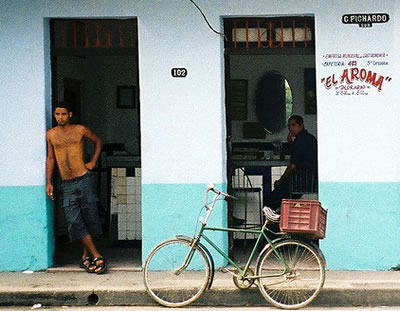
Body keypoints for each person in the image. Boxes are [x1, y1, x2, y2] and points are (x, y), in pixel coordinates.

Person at [46, 101, 106, 274]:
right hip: (66, 183)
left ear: (70, 114)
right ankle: (96, 255)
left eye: (63, 114)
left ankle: (85, 257)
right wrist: (49, 181)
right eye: (57, 114)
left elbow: (98, 141)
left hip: (83, 178)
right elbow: (51, 159)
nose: (60, 117)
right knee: (73, 220)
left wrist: (93, 161)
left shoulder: (80, 129)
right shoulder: (51, 134)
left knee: (89, 217)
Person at [266, 115, 317, 211]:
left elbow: (292, 166)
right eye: (289, 126)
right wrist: (290, 143)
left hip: (299, 181)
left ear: (301, 125)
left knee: (270, 200)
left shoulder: (300, 140)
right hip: (309, 181)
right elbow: (299, 154)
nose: (291, 128)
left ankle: (271, 223)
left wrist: (280, 181)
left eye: (293, 125)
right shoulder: (309, 138)